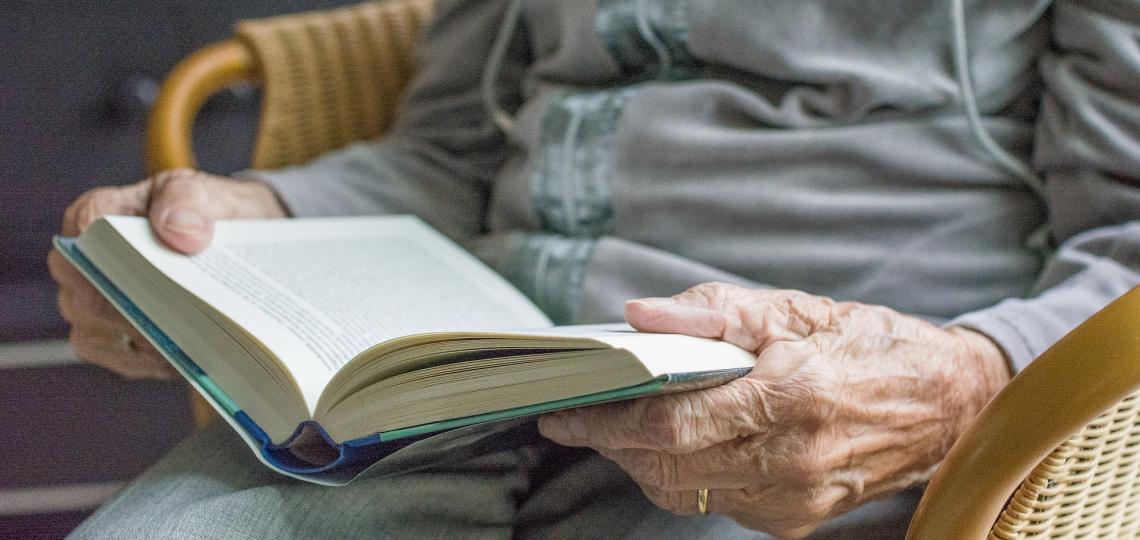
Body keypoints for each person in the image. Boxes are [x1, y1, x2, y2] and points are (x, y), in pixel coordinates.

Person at [47, 0, 1139, 537]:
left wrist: (967, 388)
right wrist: (252, 215)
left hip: (798, 428)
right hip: (463, 381)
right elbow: (457, 148)